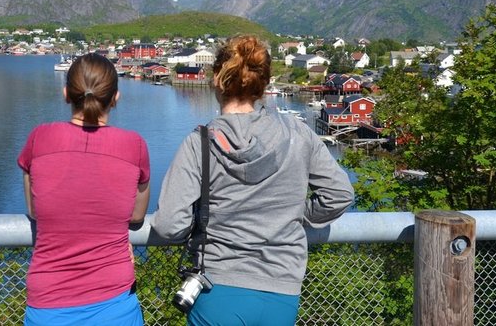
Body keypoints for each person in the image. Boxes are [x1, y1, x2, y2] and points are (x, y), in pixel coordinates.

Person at [151, 35, 354, 326]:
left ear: (217, 81)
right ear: (264, 84)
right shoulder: (299, 134)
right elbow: (339, 195)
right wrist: (296, 214)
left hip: (215, 287)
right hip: (282, 291)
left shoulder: (199, 143)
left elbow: (170, 226)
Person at [18, 53, 151, 325]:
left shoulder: (39, 138)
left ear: (66, 94)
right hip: (114, 302)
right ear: (115, 97)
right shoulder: (134, 145)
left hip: (49, 304)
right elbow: (137, 216)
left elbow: (34, 210)